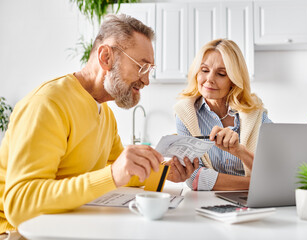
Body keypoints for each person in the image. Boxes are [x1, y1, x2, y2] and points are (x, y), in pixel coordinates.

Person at [0, 14, 198, 238]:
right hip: (16, 232)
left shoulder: (105, 115)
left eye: (149, 70)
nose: (146, 80)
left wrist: (163, 171)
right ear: (106, 57)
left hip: (64, 226)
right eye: (141, 67)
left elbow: (123, 171)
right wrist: (113, 174)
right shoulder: (48, 104)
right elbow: (19, 204)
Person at [173, 39, 272, 191]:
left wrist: (240, 151)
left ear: (233, 80)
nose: (209, 79)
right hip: (208, 202)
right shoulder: (186, 114)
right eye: (204, 70)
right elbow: (194, 177)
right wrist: (254, 184)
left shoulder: (256, 116)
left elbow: (273, 170)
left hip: (254, 200)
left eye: (221, 74)